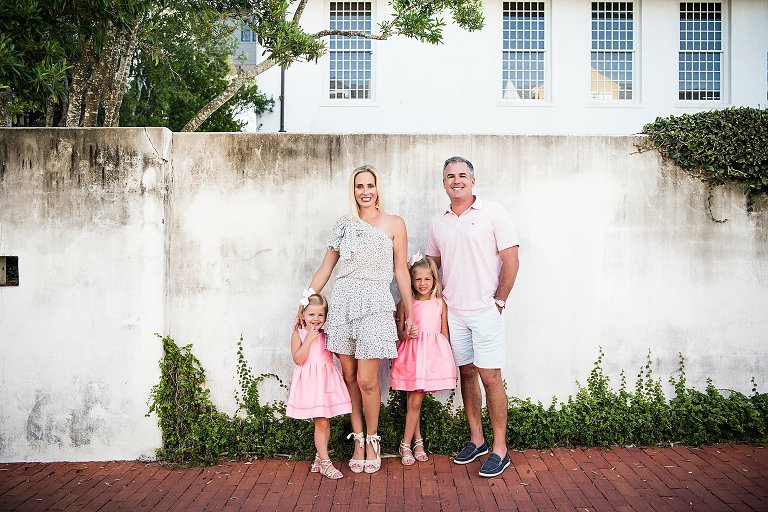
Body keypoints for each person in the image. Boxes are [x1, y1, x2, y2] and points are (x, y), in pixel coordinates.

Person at [303, 165, 414, 474]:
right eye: (359, 186)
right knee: (350, 377)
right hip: (344, 304)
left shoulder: (394, 223)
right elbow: (325, 269)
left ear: (378, 189)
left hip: (377, 304)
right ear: (352, 191)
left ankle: (374, 439)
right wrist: (303, 303)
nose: (365, 191)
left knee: (368, 380)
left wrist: (408, 310)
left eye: (370, 185)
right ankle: (358, 440)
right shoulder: (345, 225)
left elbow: (401, 271)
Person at [426, 156, 520, 478]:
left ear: (472, 181)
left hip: (486, 312)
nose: (456, 180)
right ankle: (477, 440)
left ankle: (500, 449)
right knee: (466, 373)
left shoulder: (494, 213)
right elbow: (432, 264)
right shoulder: (438, 222)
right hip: (454, 312)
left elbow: (511, 260)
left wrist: (500, 302)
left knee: (490, 376)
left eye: (462, 175)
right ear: (444, 184)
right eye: (450, 176)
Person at [390, 253, 456, 465]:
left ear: (434, 280)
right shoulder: (405, 304)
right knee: (414, 400)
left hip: (430, 359)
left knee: (414, 401)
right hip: (411, 357)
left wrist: (445, 361)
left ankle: (415, 441)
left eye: (427, 279)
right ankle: (408, 443)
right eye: (417, 279)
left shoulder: (439, 304)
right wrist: (406, 335)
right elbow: (398, 334)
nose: (422, 283)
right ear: (411, 280)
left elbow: (444, 335)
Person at [286, 293, 352, 479]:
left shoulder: (326, 335)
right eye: (311, 315)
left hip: (325, 382)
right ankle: (325, 462)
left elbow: (338, 354)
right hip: (310, 384)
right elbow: (298, 359)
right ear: (302, 316)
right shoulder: (298, 334)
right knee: (320, 421)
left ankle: (319, 456)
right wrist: (308, 340)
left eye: (320, 315)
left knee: (324, 422)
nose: (316, 319)